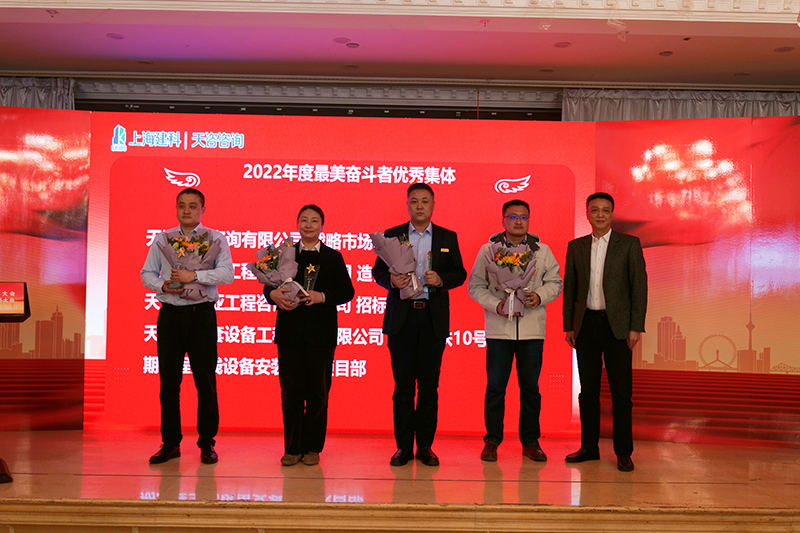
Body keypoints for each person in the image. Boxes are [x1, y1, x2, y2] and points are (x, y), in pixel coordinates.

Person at [372, 183, 467, 467]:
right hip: (402, 319)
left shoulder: (447, 236)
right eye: (414, 201)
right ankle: (403, 447)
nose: (420, 206)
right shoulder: (393, 234)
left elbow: (460, 273)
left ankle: (425, 446)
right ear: (408, 205)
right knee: (403, 387)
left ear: (433, 205)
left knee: (428, 387)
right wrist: (391, 281)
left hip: (431, 319)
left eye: (425, 201)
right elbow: (378, 271)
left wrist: (442, 280)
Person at [141, 188, 234, 465]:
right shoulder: (162, 239)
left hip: (201, 315)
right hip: (171, 315)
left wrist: (194, 275)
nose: (187, 210)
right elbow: (147, 273)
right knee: (169, 382)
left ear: (203, 210)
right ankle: (170, 443)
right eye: (182, 205)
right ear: (176, 208)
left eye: (193, 206)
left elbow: (227, 273)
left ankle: (207, 443)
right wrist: (162, 285)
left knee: (205, 381)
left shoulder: (215, 239)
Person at [467, 199, 562, 463]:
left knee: (530, 388)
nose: (518, 221)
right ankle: (492, 440)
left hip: (531, 330)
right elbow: (475, 285)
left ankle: (530, 441)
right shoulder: (488, 250)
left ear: (529, 220)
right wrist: (495, 304)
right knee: (496, 387)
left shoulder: (542, 250)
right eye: (513, 216)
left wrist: (539, 296)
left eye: (523, 217)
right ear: (503, 220)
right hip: (499, 330)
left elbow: (555, 282)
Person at [562, 192, 647, 472]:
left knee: (621, 393)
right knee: (588, 392)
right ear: (587, 214)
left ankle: (623, 452)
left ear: (612, 214)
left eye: (605, 210)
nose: (600, 215)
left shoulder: (629, 244)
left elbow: (639, 288)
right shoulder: (576, 246)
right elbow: (571, 289)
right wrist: (569, 325)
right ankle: (589, 448)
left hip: (618, 327)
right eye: (595, 210)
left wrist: (635, 327)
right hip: (586, 325)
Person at [266, 205, 355, 467]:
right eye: (304, 220)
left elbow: (347, 291)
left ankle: (313, 447)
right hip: (289, 332)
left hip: (321, 334)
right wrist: (272, 294)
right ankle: (293, 448)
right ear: (297, 224)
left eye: (314, 221)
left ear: (321, 226)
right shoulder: (284, 254)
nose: (308, 225)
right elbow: (268, 286)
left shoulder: (333, 257)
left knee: (318, 393)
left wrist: (322, 296)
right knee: (290, 393)